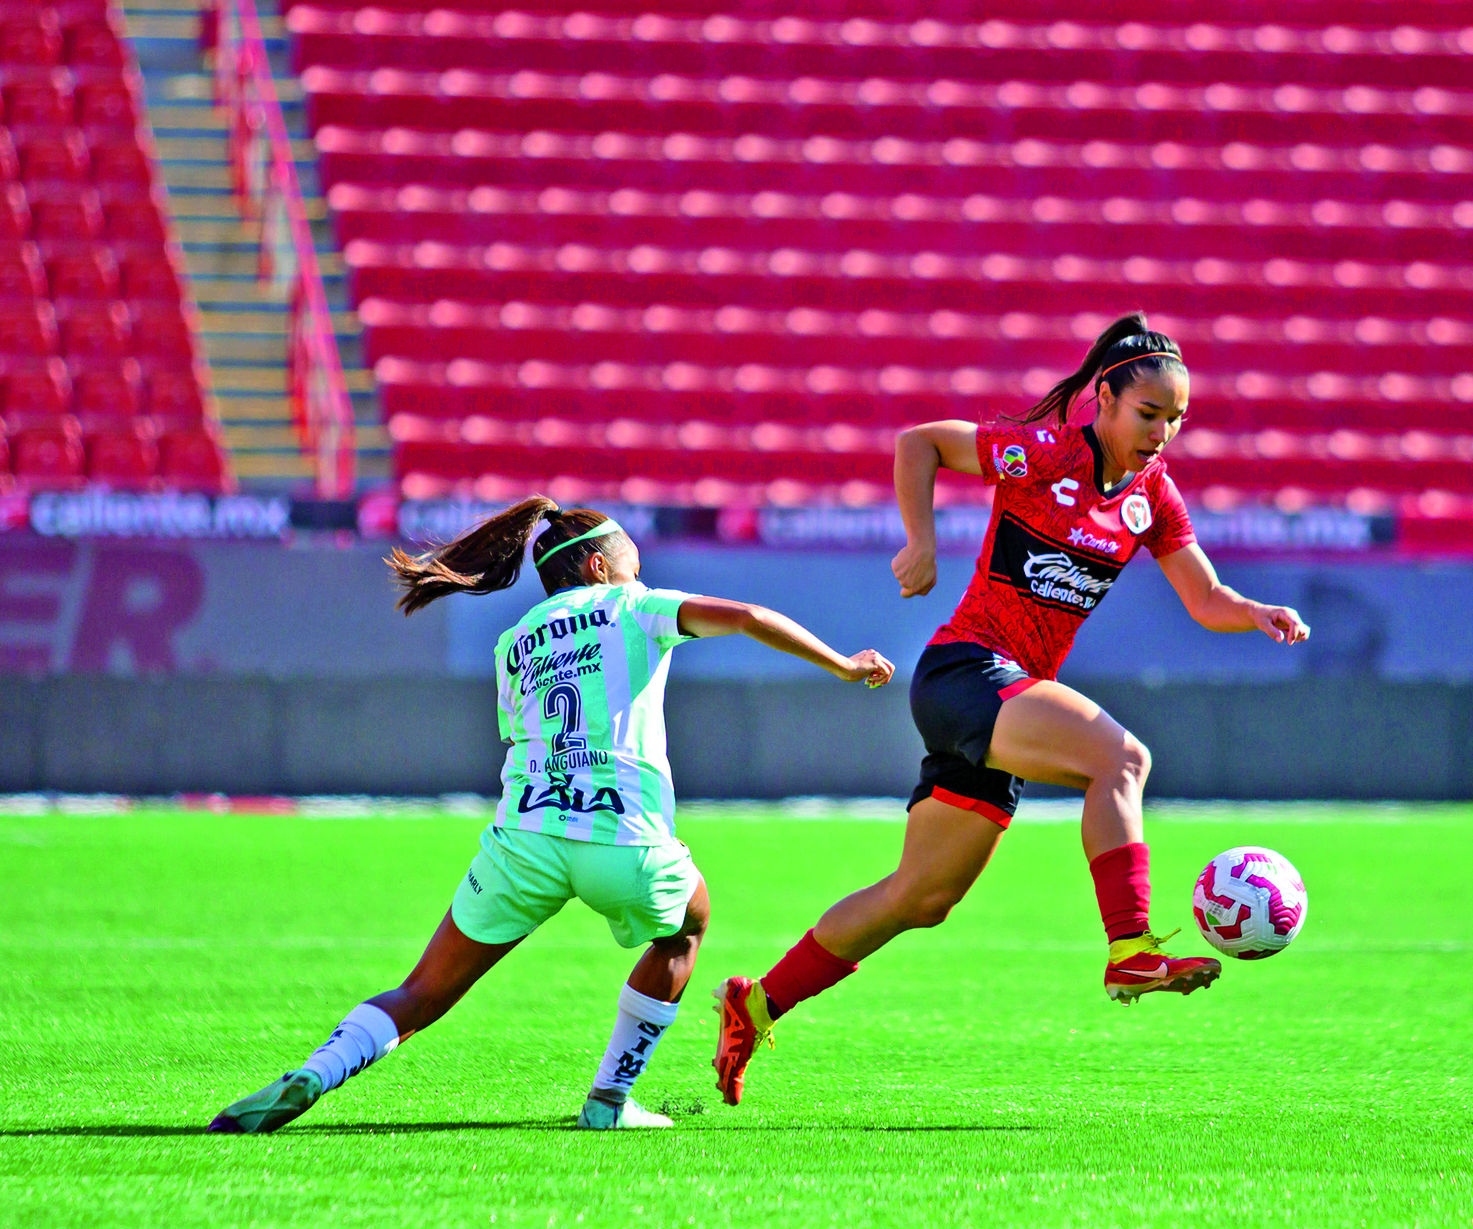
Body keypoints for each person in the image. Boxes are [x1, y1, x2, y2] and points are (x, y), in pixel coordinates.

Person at [711, 313, 1311, 1105]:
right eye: (1149, 413)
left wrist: (1255, 611)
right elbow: (920, 443)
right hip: (967, 672)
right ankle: (1129, 948)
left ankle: (753, 1005)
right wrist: (921, 541)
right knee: (1122, 758)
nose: (1162, 432)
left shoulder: (1154, 496)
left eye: (1176, 419)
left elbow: (1204, 598)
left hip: (1002, 697)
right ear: (1104, 399)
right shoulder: (1044, 452)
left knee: (921, 898)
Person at [208, 498, 894, 1133]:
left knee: (422, 991)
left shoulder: (514, 642)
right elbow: (746, 617)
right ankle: (608, 1102)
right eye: (631, 564)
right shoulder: (634, 605)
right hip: (622, 836)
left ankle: (317, 1072)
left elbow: (518, 737)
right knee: (687, 926)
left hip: (524, 837)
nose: (638, 575)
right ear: (598, 567)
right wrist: (841, 663)